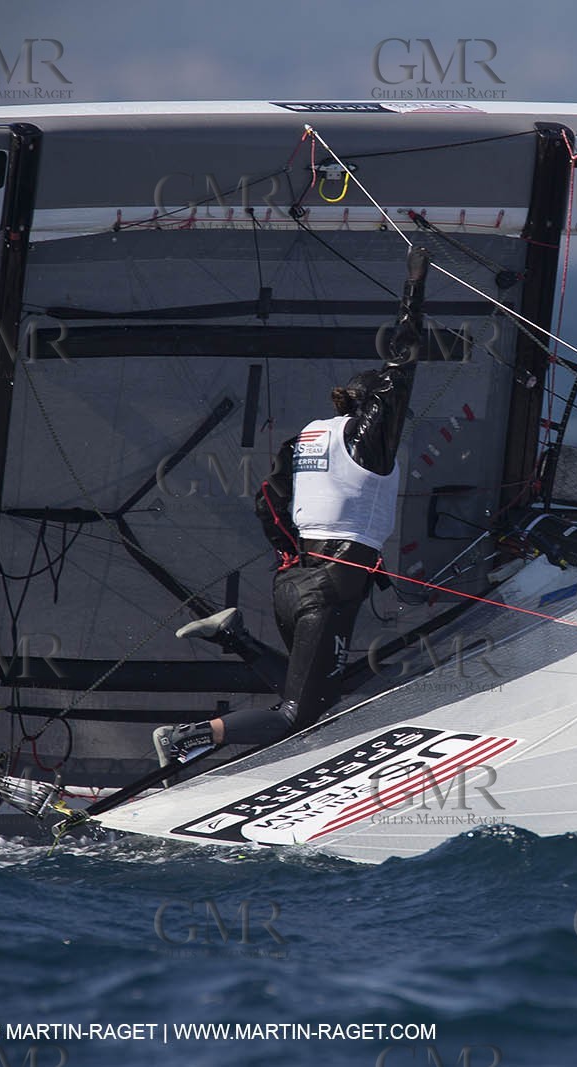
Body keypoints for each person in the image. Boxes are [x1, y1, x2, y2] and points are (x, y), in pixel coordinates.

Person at [153, 249, 428, 765]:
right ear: (377, 407)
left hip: (295, 583)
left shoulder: (309, 437)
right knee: (298, 715)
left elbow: (268, 501)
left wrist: (291, 558)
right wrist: (415, 286)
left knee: (318, 693)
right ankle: (187, 738)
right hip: (327, 587)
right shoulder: (370, 437)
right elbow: (402, 361)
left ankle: (235, 637)